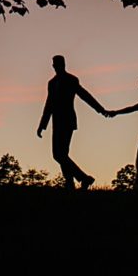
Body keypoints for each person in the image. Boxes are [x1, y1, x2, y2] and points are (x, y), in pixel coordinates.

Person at [37, 55, 108, 190]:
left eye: (57, 63)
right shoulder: (51, 83)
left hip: (67, 120)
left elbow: (84, 95)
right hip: (56, 122)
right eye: (54, 64)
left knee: (59, 154)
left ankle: (82, 178)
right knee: (61, 155)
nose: (55, 66)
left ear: (63, 64)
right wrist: (42, 124)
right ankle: (71, 183)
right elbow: (49, 104)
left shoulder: (71, 80)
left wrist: (100, 109)